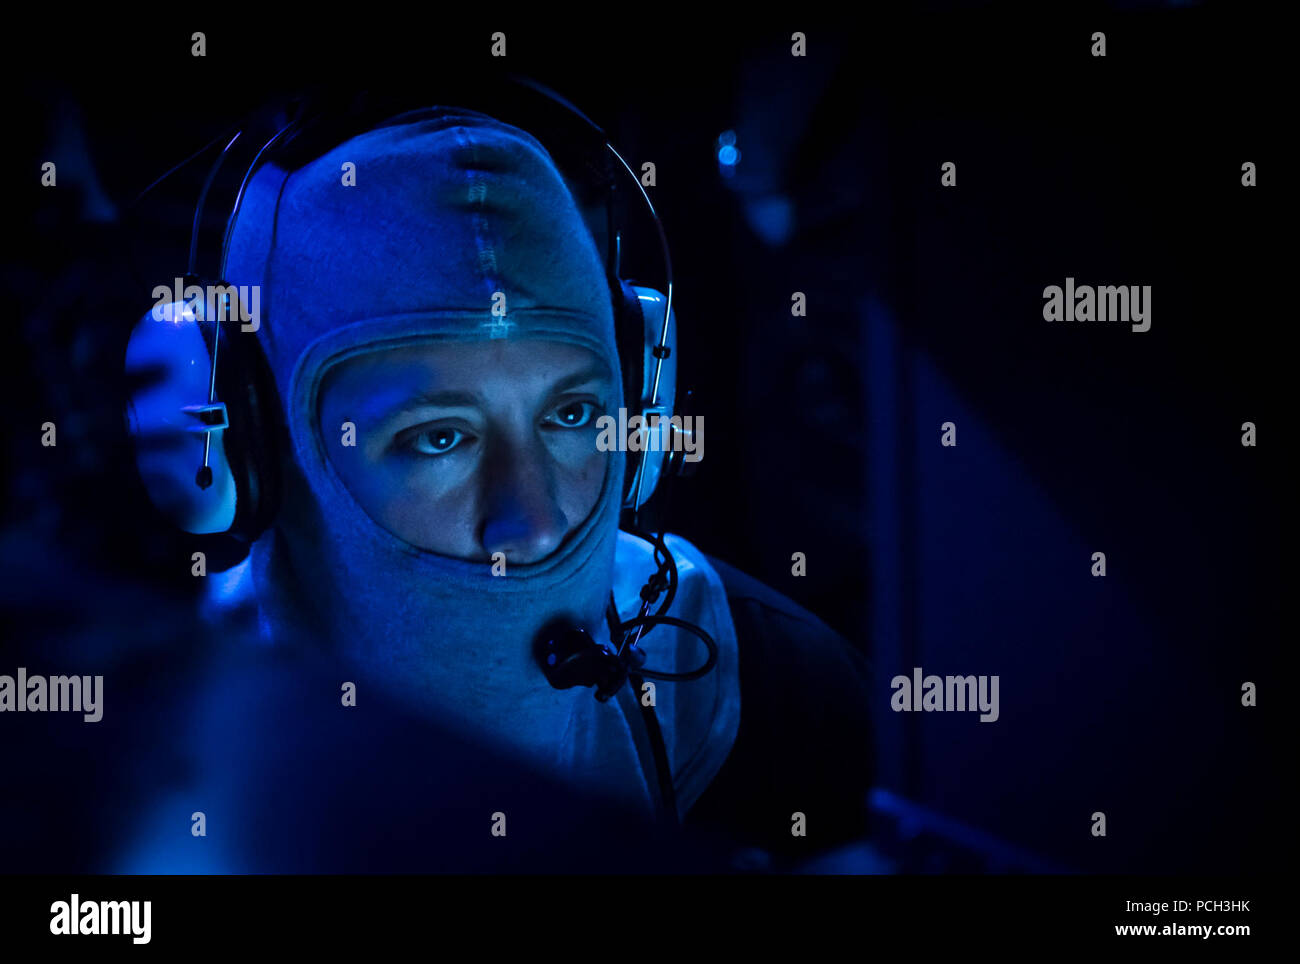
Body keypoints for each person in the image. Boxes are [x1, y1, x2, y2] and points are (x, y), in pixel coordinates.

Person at [124, 105, 877, 872]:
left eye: (573, 414)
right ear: (248, 444)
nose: (536, 524)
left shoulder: (781, 693)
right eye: (440, 437)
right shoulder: (147, 777)